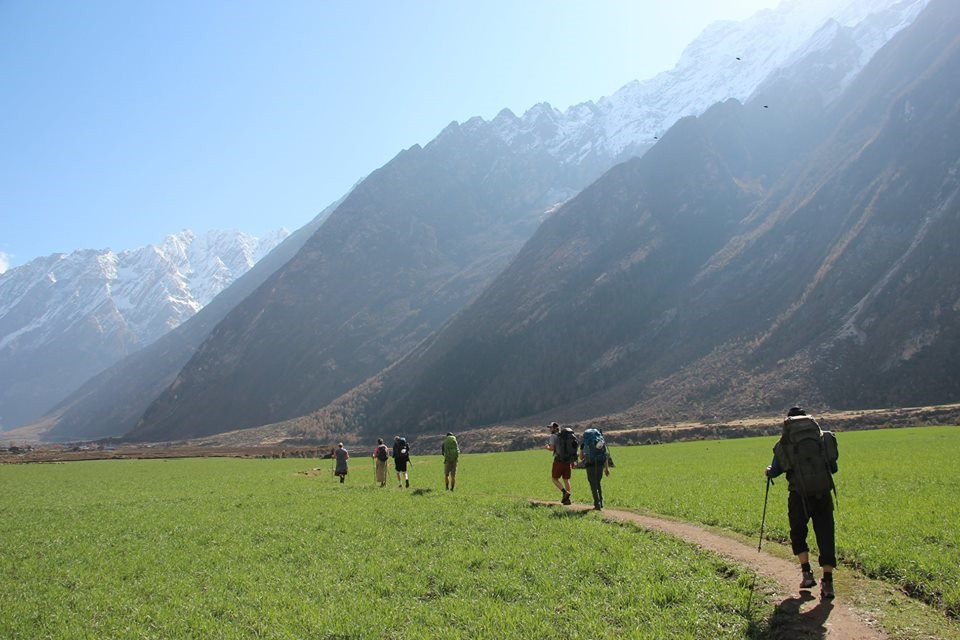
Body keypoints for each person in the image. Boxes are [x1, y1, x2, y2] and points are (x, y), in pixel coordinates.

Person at [765, 407, 839, 599]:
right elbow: (834, 467)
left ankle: (806, 573)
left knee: (798, 532)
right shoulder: (822, 438)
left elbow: (775, 470)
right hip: (823, 494)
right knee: (826, 534)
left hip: (799, 495)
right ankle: (828, 583)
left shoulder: (785, 443)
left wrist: (768, 472)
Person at [580, 428, 610, 510]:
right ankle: (601, 503)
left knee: (593, 484)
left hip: (590, 465)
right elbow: (605, 455)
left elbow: (581, 457)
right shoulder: (601, 441)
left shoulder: (584, 443)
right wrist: (606, 468)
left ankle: (597, 504)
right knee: (598, 483)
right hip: (600, 464)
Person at [545, 422, 573, 505]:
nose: (549, 429)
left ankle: (565, 492)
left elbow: (552, 448)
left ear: (554, 428)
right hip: (567, 460)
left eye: (550, 428)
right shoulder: (565, 436)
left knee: (554, 478)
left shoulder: (553, 436)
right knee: (566, 479)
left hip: (559, 460)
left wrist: (547, 447)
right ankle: (567, 500)